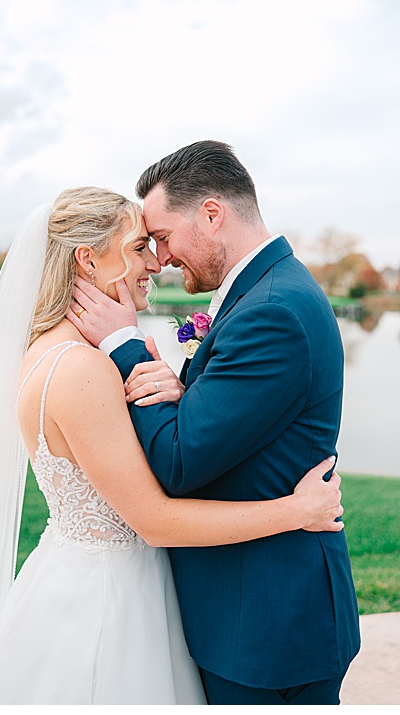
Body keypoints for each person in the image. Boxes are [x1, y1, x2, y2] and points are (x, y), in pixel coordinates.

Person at [0, 186, 343, 704]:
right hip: (105, 606)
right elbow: (155, 520)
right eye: (141, 246)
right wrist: (296, 511)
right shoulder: (81, 368)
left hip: (101, 585)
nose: (155, 263)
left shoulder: (50, 349)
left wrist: (180, 392)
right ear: (87, 259)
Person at [68, 141, 360, 705]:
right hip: (254, 613)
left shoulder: (271, 311)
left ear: (210, 213)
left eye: (162, 236)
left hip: (268, 626)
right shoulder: (266, 293)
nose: (161, 257)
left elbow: (179, 462)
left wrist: (124, 345)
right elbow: (238, 418)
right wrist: (186, 391)